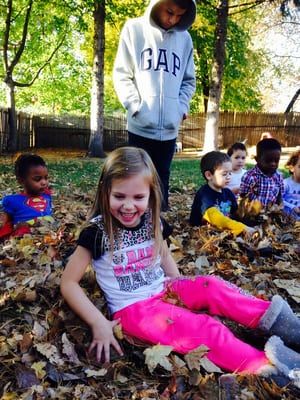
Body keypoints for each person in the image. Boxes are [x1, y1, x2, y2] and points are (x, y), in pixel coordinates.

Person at [60, 146, 300, 381]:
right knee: (204, 329)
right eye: (119, 196)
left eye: (138, 197)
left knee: (212, 285)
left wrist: (181, 287)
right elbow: (69, 283)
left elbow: (163, 255)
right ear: (106, 193)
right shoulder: (98, 232)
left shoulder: (152, 220)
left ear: (151, 193)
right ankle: (270, 369)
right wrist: (98, 323)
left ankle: (283, 323)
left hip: (164, 288)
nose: (129, 206)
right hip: (134, 309)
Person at [113, 0, 196, 211]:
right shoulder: (134, 29)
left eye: (179, 16)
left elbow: (188, 81)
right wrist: (134, 106)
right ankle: (132, 223)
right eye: (169, 12)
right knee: (135, 177)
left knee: (161, 179)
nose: (173, 19)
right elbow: (122, 74)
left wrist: (181, 108)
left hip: (169, 128)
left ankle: (158, 228)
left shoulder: (185, 39)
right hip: (140, 125)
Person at [189, 151, 255, 235]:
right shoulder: (205, 195)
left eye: (230, 173)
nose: (228, 177)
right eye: (224, 174)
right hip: (203, 231)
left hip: (221, 228)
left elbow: (236, 213)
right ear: (209, 175)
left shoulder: (227, 192)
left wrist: (248, 211)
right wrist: (241, 227)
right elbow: (216, 218)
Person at [0, 153, 53, 239]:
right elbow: (7, 225)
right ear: (21, 180)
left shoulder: (46, 196)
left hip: (49, 234)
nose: (44, 182)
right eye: (37, 179)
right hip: (26, 238)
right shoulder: (12, 201)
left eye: (46, 178)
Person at [239, 138, 284, 209]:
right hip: (252, 214)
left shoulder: (278, 176)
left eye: (276, 161)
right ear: (257, 159)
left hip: (271, 213)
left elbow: (279, 195)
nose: (273, 164)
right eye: (268, 161)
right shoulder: (250, 176)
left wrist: (279, 207)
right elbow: (243, 196)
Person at [283, 149, 300, 219]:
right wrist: (292, 207)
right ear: (292, 168)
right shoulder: (285, 184)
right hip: (286, 220)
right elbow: (278, 200)